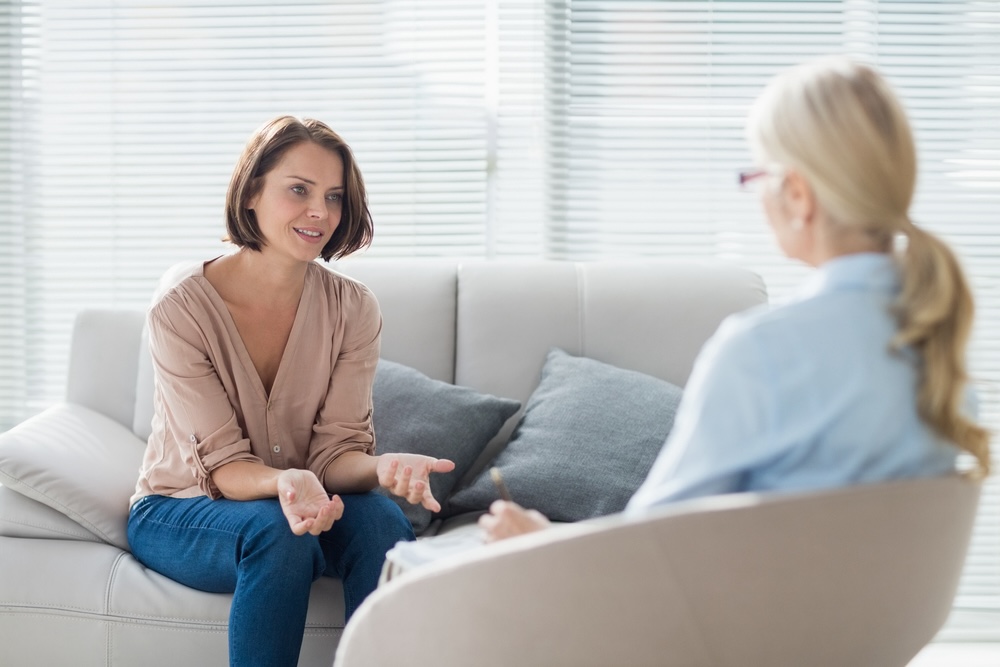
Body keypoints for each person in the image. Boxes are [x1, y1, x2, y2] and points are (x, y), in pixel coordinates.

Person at [480, 56, 991, 543]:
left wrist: (541, 543)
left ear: (797, 195)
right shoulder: (938, 352)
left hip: (753, 633)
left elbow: (651, 551)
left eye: (759, 176)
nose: (757, 196)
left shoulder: (763, 351)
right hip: (876, 634)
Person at [127, 115, 455, 666]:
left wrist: (381, 468)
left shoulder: (354, 308)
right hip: (182, 508)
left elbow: (334, 454)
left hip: (302, 502)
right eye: (298, 190)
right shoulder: (181, 312)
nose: (320, 213)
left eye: (334, 197)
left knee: (382, 521)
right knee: (278, 531)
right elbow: (225, 468)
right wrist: (287, 482)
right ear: (252, 191)